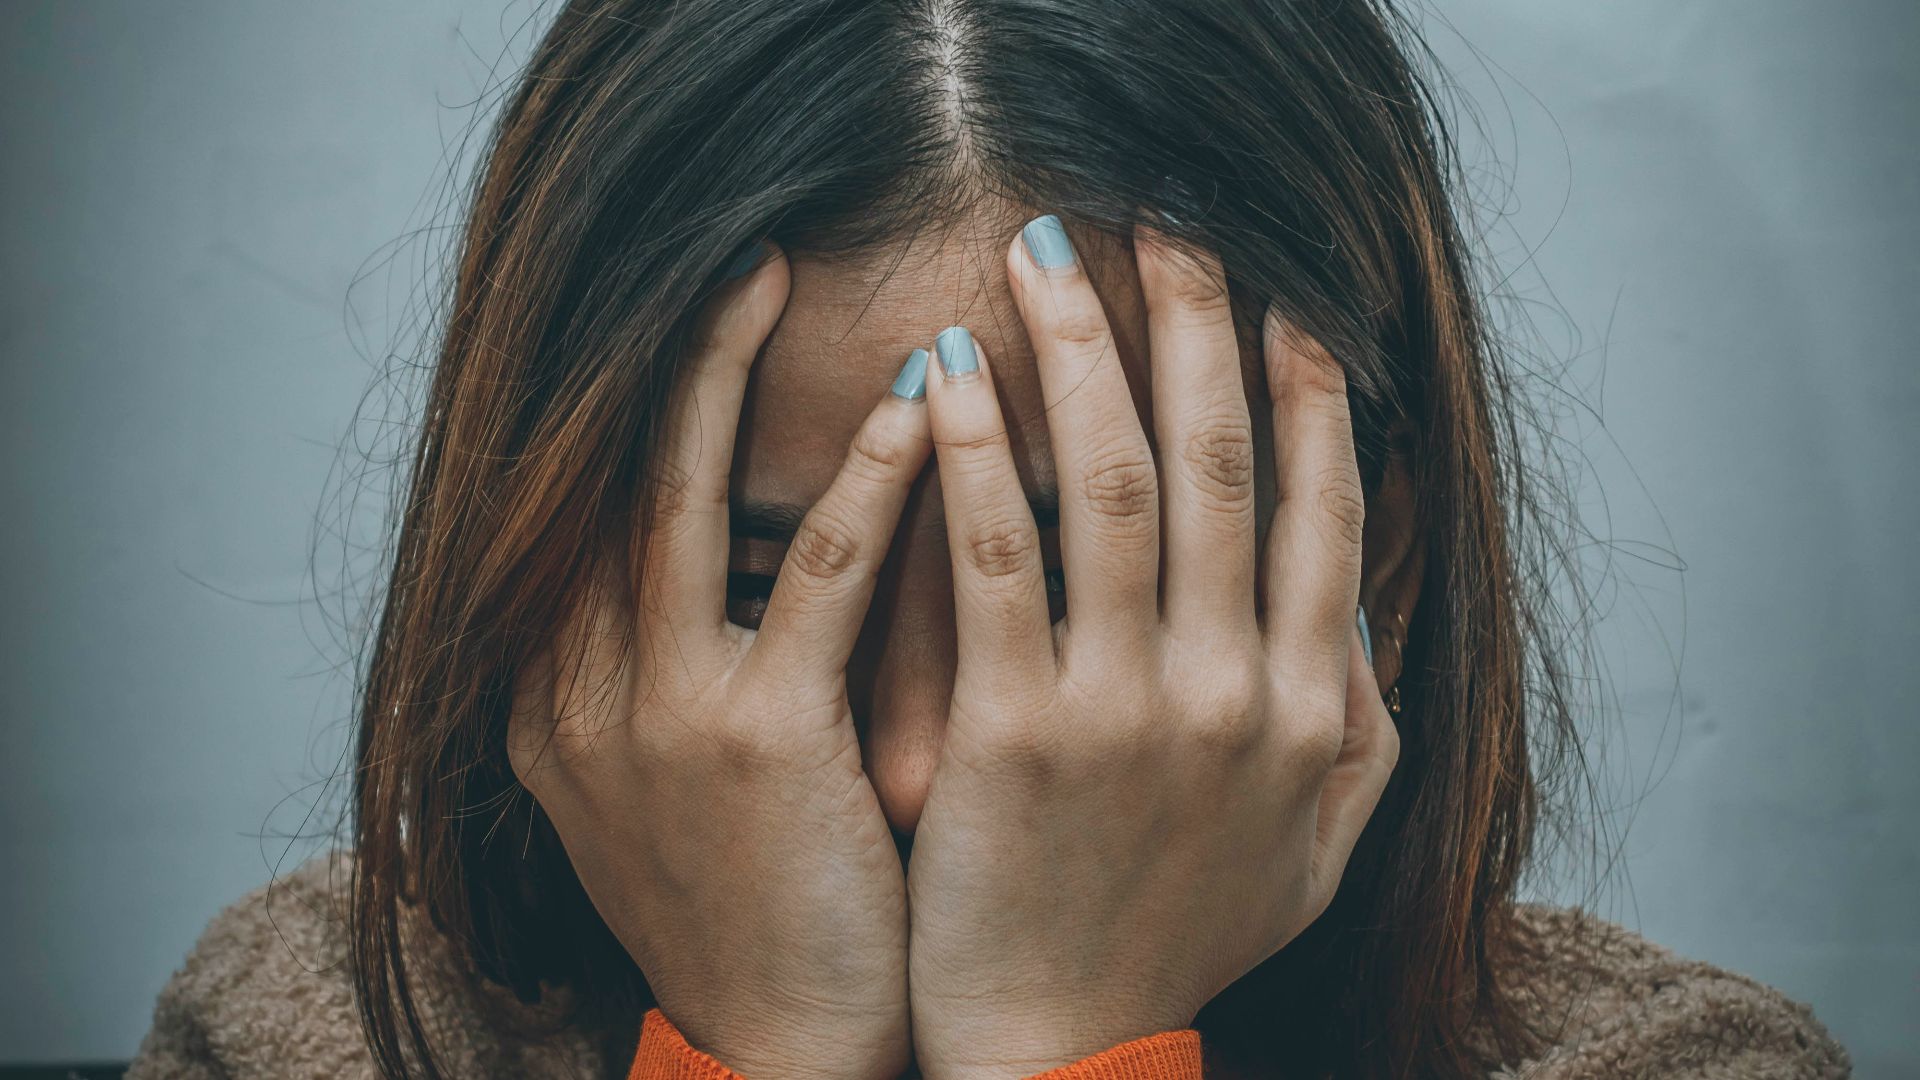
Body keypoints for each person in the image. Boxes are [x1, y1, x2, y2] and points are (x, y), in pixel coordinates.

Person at [128, 1, 1851, 1077]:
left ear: (1366, 560)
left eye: (1090, 600)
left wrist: (1065, 1050)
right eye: (760, 593)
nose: (903, 766)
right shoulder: (322, 1035)